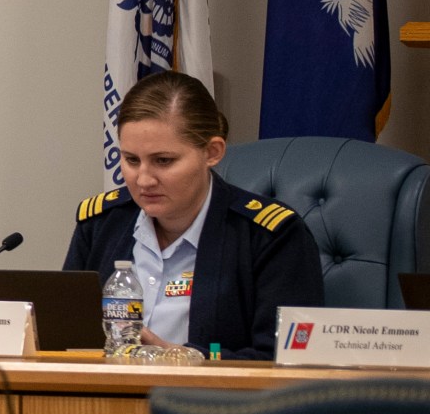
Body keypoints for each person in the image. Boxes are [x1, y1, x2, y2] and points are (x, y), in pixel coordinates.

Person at [64, 69, 322, 358]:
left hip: (213, 400)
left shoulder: (271, 235)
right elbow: (62, 337)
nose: (144, 179)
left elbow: (285, 358)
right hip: (98, 398)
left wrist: (187, 357)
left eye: (163, 160)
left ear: (212, 152)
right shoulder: (101, 224)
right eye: (131, 160)